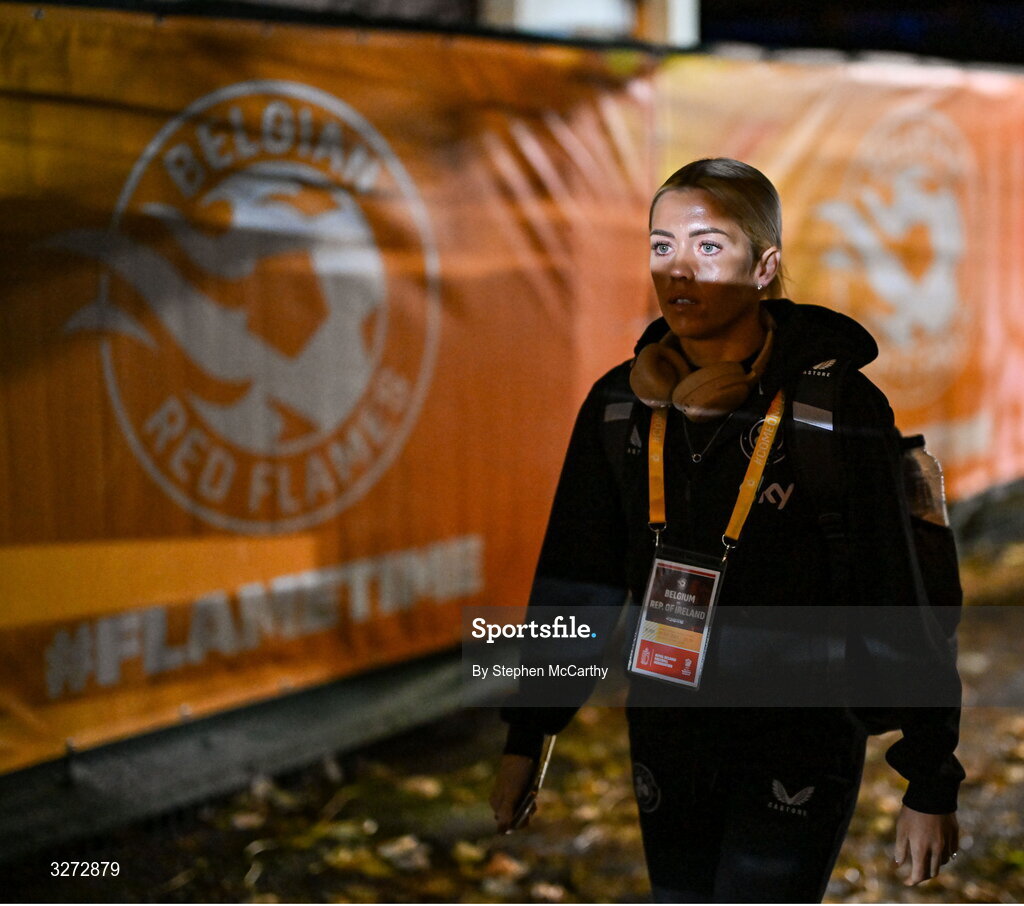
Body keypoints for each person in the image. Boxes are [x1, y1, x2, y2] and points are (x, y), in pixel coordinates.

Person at [489, 158, 964, 902]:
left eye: (709, 246)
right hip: (667, 729)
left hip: (799, 735)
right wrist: (531, 732)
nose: (680, 269)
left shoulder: (837, 410)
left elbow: (895, 589)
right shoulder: (619, 407)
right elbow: (575, 576)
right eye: (661, 246)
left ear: (765, 265)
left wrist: (931, 775)